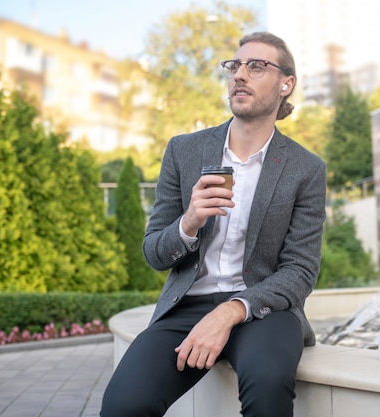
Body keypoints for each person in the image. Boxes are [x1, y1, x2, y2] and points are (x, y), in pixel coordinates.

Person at [100, 31, 327, 417]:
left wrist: (229, 311)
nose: (240, 74)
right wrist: (188, 222)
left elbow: (300, 271)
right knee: (124, 405)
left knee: (269, 386)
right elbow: (154, 252)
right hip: (187, 305)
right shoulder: (184, 150)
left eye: (257, 66)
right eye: (234, 65)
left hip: (264, 309)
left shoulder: (306, 168)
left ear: (286, 84)